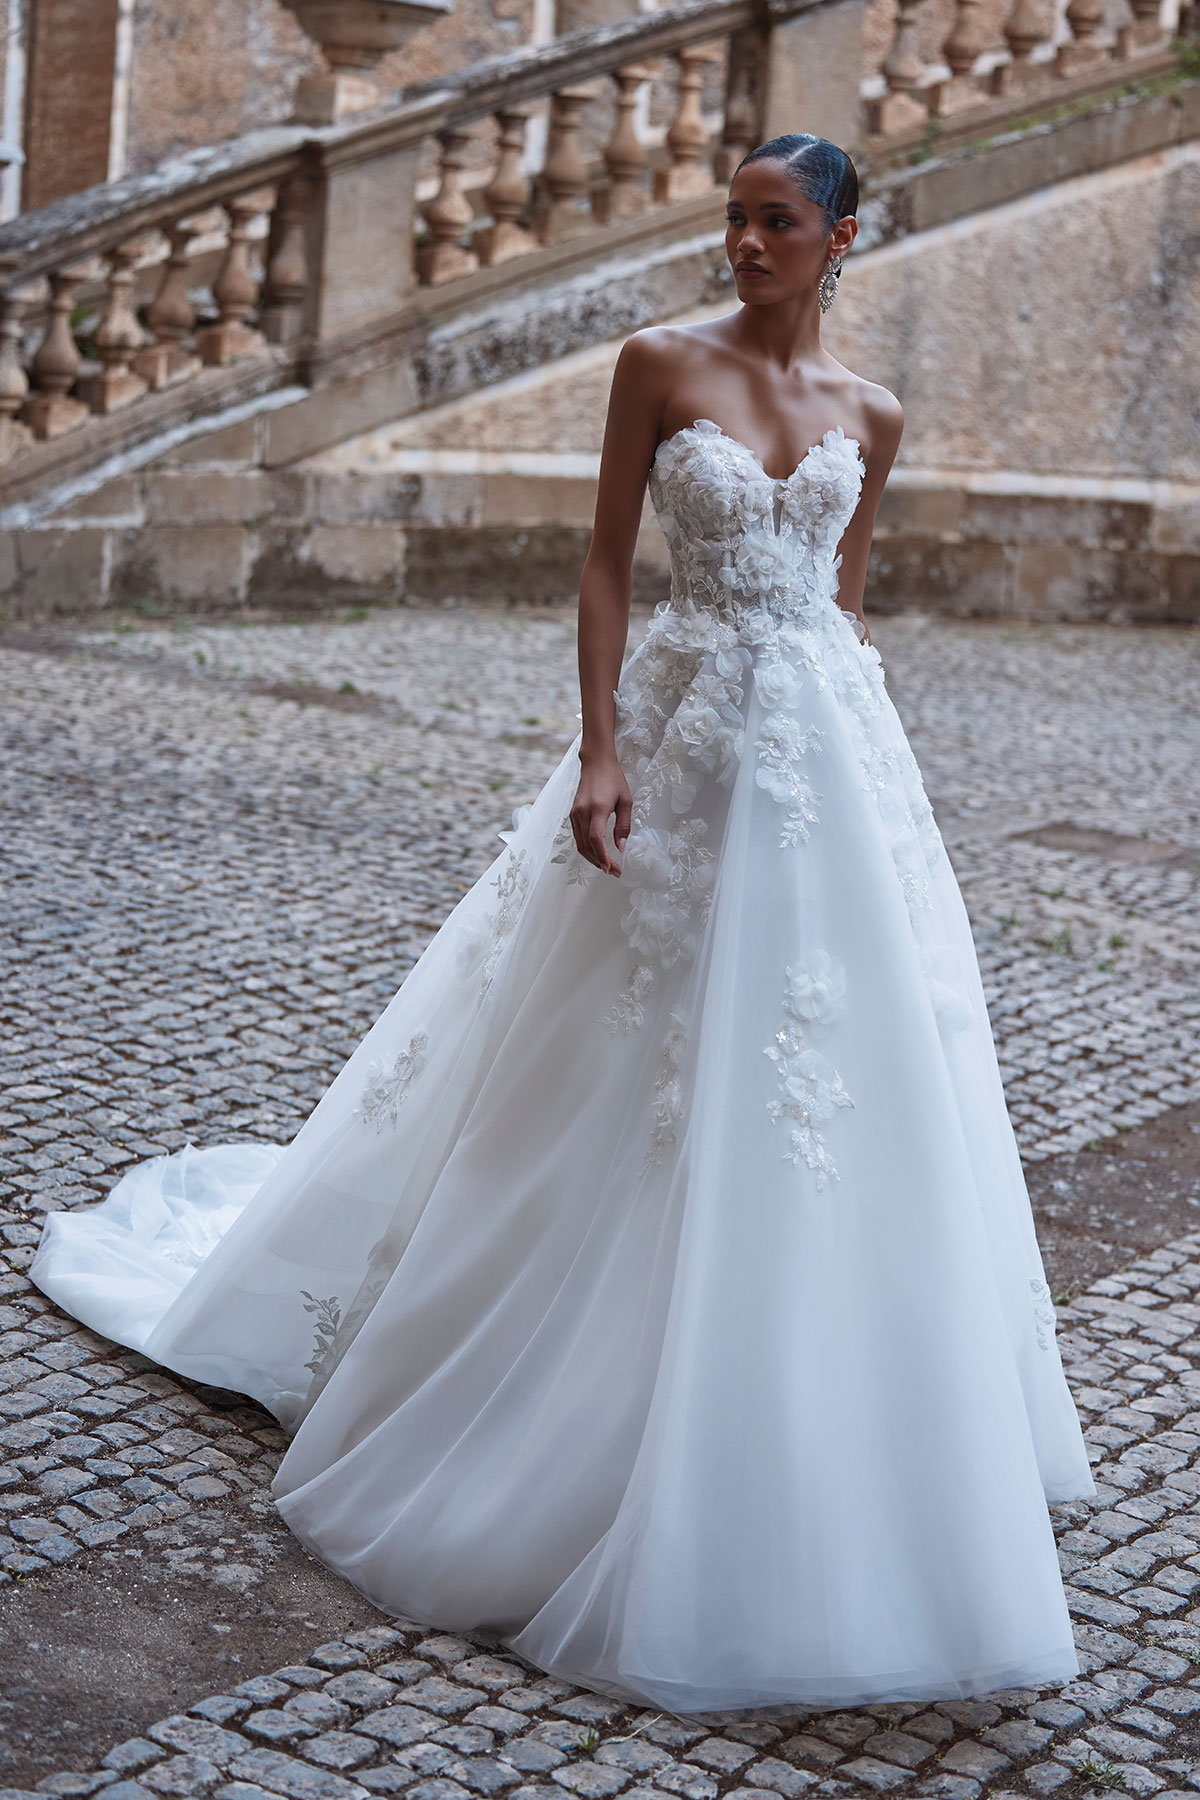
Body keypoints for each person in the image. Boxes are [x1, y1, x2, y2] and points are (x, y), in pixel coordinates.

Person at [29, 133, 1097, 1719]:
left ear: (842, 236)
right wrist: (603, 749)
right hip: (678, 741)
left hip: (828, 766)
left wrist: (862, 774)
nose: (742, 243)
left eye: (775, 222)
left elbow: (845, 600)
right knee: (619, 1057)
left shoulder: (872, 411)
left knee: (834, 1076)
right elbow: (607, 566)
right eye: (731, 218)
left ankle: (815, 1405)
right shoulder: (660, 364)